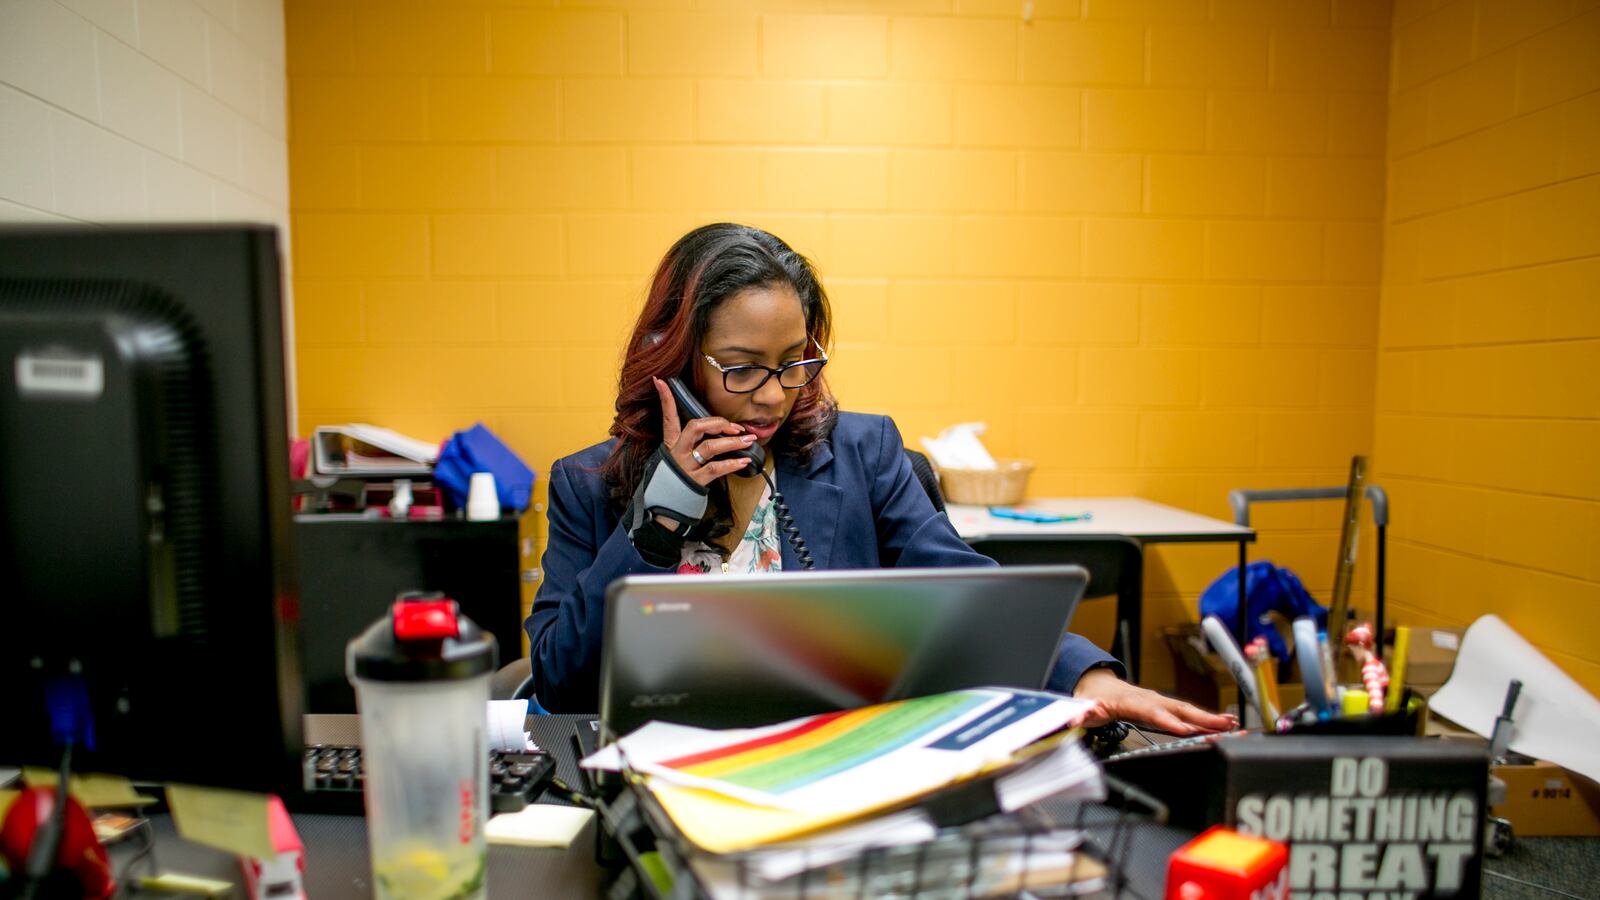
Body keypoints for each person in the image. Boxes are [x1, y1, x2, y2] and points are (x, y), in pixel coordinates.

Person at [523, 223, 1234, 735]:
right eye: (742, 366)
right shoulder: (588, 484)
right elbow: (560, 679)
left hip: (842, 762)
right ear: (674, 362)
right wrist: (657, 517)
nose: (773, 395)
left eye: (794, 362)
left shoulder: (863, 452)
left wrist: (1090, 676)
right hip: (666, 769)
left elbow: (968, 596)